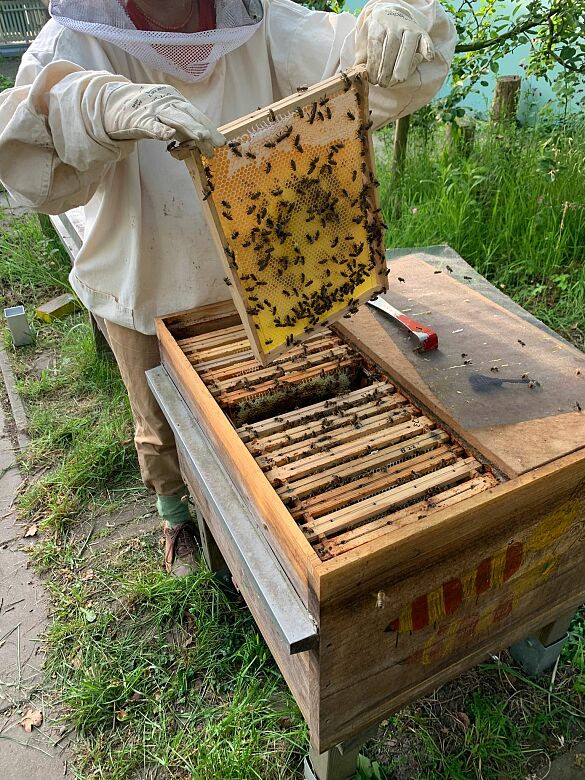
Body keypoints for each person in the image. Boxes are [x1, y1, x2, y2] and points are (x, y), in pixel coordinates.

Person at [0, 0, 456, 576]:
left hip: (266, 273)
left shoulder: (262, 21)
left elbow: (363, 71)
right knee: (159, 422)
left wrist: (399, 27)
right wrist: (91, 107)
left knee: (279, 408)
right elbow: (30, 169)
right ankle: (174, 515)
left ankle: (270, 521)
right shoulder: (73, 43)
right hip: (146, 278)